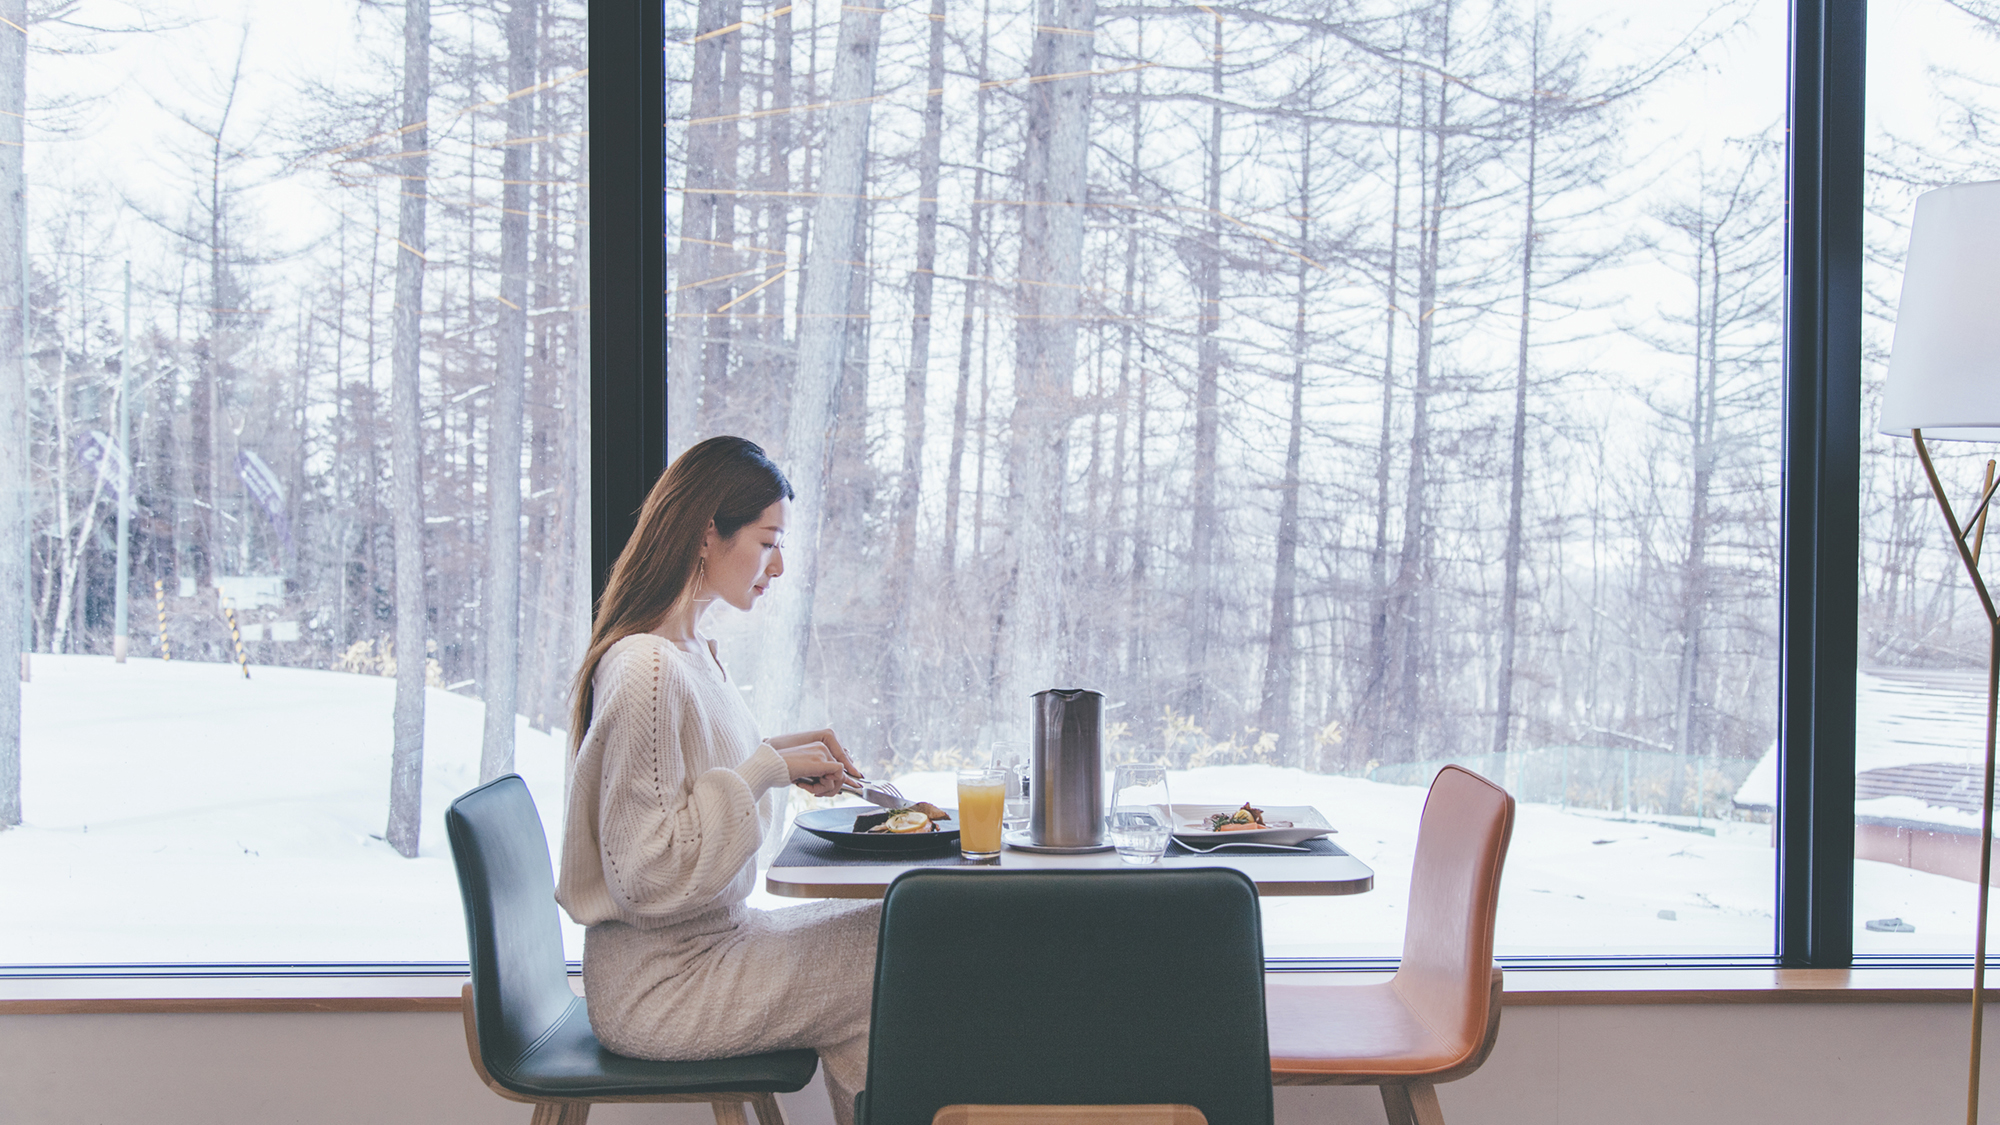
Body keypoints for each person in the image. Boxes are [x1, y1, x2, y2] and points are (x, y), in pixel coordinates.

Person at [556, 436, 879, 1125]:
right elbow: (645, 871)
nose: (780, 566)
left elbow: (699, 778)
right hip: (662, 985)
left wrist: (780, 756)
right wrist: (767, 768)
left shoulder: (690, 651)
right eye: (767, 542)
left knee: (891, 932)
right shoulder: (647, 668)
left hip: (702, 949)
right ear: (709, 531)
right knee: (888, 955)